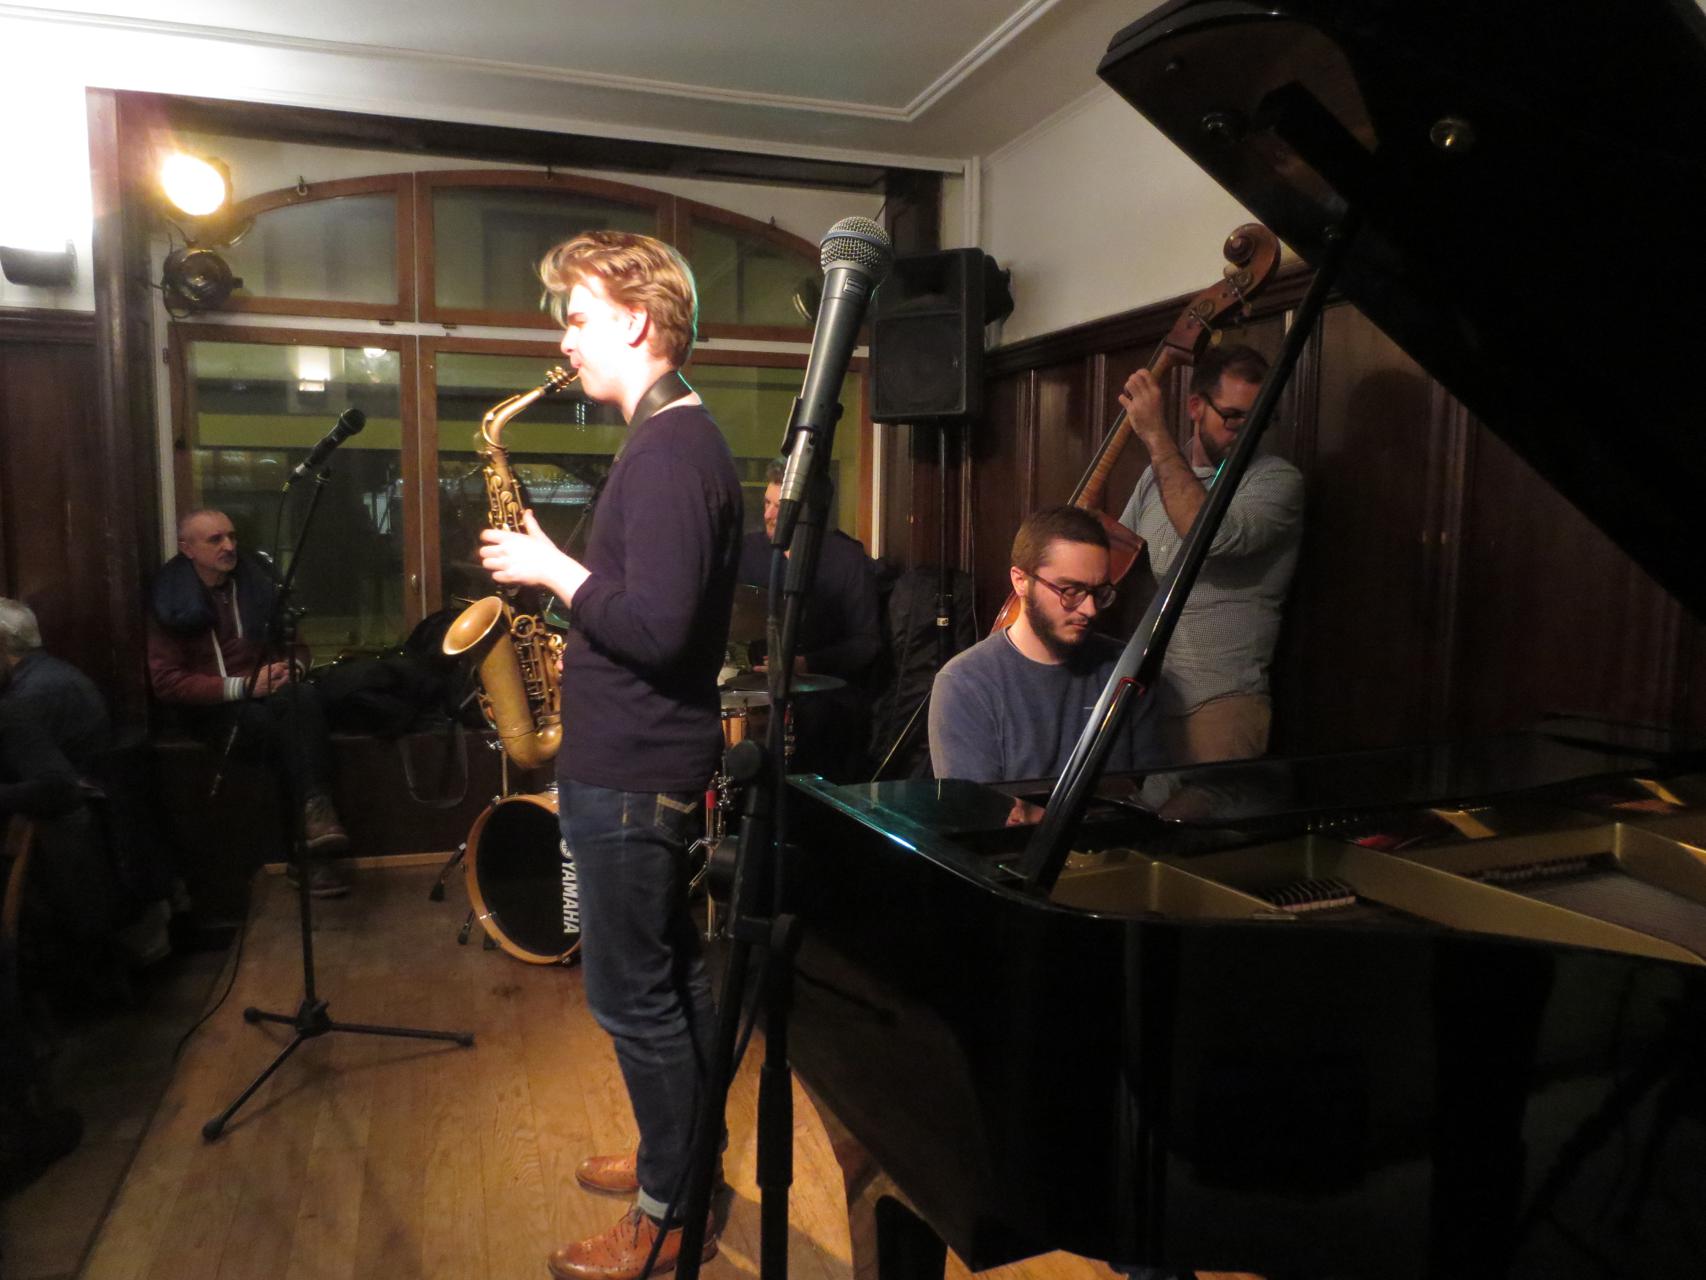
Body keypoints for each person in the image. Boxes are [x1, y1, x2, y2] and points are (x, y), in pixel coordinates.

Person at [477, 230, 742, 1280]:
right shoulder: (669, 437)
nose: (565, 341)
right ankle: (680, 1152)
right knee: (667, 978)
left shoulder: (672, 448)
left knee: (632, 997)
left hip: (632, 772)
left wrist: (552, 570)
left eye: (578, 318)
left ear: (636, 320)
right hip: (631, 760)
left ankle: (669, 1211)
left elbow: (662, 630)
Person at [146, 509, 351, 896]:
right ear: (187, 548)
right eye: (215, 540)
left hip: (271, 695)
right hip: (212, 709)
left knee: (303, 698)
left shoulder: (256, 586)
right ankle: (310, 851)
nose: (229, 546)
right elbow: (167, 683)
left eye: (232, 537)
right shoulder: (171, 600)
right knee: (289, 735)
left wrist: (291, 670)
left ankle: (316, 814)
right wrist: (244, 687)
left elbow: (298, 649)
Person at [1117, 344, 1303, 764]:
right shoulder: (1154, 477)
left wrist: (1156, 436)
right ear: (1196, 407)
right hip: (1147, 697)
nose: (1247, 432)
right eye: (1234, 417)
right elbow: (1119, 559)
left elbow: (1209, 539)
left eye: (1259, 419)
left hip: (1222, 703)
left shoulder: (1276, 480)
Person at [928, 506, 1159, 797]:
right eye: (1070, 591)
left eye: (1099, 592)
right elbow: (976, 813)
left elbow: (1149, 791)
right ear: (1020, 581)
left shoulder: (1127, 666)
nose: (1089, 609)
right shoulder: (965, 683)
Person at [737, 458, 882, 780]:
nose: (768, 514)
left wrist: (807, 663)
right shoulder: (748, 553)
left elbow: (867, 643)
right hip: (757, 689)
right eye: (767, 503)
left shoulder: (845, 559)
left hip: (826, 697)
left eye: (779, 507)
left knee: (819, 721)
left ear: (806, 511)